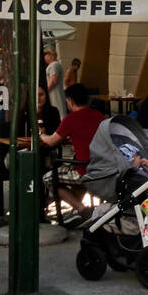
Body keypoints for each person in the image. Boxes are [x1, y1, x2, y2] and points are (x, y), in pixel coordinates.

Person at [38, 83, 104, 218]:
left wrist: (41, 135)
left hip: (84, 169)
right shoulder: (99, 116)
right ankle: (76, 211)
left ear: (70, 101)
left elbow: (51, 141)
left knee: (48, 178)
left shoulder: (70, 119)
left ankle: (81, 209)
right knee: (72, 177)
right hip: (100, 168)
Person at [44, 48, 65, 126]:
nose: (44, 56)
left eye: (45, 54)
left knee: (59, 113)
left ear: (51, 55)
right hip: (54, 94)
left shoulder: (54, 65)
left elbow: (53, 80)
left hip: (55, 95)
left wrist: (45, 91)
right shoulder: (54, 65)